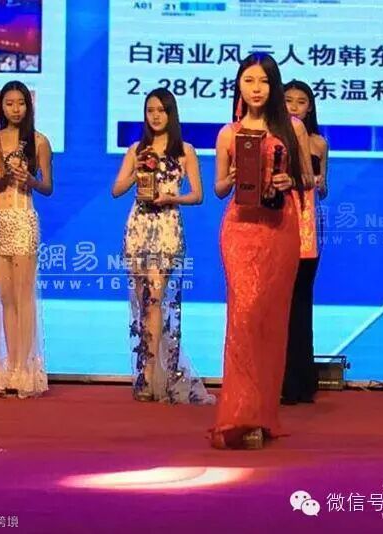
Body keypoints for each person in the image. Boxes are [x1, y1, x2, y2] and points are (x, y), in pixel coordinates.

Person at [210, 53, 314, 449]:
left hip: (279, 230)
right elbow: (219, 188)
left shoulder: (292, 128)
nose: (256, 89)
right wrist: (235, 176)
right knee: (244, 317)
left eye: (264, 82)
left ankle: (263, 413)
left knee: (270, 322)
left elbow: (308, 178)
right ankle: (240, 415)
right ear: (238, 85)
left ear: (274, 86)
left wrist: (290, 180)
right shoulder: (228, 133)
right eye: (249, 81)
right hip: (239, 231)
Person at [112, 88, 214, 404]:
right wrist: (137, 171)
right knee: (143, 303)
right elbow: (116, 189)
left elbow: (198, 195)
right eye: (150, 110)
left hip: (167, 226)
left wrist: (172, 197)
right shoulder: (136, 149)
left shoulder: (185, 151)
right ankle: (150, 371)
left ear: (171, 113)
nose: (155, 116)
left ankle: (149, 375)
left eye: (161, 110)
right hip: (138, 227)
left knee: (155, 300)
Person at [0, 81, 53, 398]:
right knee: (6, 296)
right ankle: (9, 366)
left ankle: (22, 368)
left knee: (23, 296)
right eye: (9, 103)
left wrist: (30, 179)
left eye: (21, 103)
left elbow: (48, 187)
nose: (15, 109)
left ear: (28, 106)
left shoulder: (39, 141)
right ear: (2, 106)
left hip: (22, 218)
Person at [282, 80, 329, 404]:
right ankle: (280, 377)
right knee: (280, 302)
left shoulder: (319, 143)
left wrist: (319, 184)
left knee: (301, 301)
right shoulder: (274, 139)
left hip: (309, 222)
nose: (294, 106)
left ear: (309, 107)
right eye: (288, 100)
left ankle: (301, 380)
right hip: (280, 219)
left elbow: (324, 188)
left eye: (301, 101)